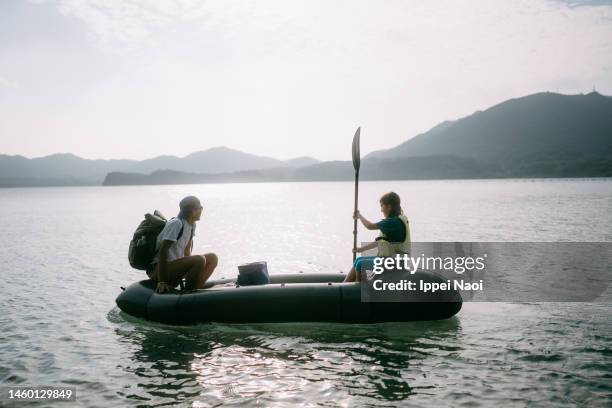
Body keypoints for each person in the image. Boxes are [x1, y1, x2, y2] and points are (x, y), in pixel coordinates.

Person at [147, 196, 218, 293]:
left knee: (212, 258)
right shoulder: (176, 224)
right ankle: (188, 294)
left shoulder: (191, 225)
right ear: (193, 210)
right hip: (158, 270)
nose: (201, 211)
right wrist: (162, 281)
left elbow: (186, 252)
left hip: (175, 267)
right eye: (200, 208)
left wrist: (193, 270)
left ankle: (196, 289)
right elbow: (163, 251)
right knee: (199, 259)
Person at [344, 192, 411, 282]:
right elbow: (381, 241)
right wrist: (362, 249)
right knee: (358, 260)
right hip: (389, 260)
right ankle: (344, 285)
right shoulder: (395, 220)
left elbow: (369, 226)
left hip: (394, 263)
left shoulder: (393, 222)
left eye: (382, 206)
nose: (381, 210)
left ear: (389, 206)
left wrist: (359, 215)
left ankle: (358, 290)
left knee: (360, 264)